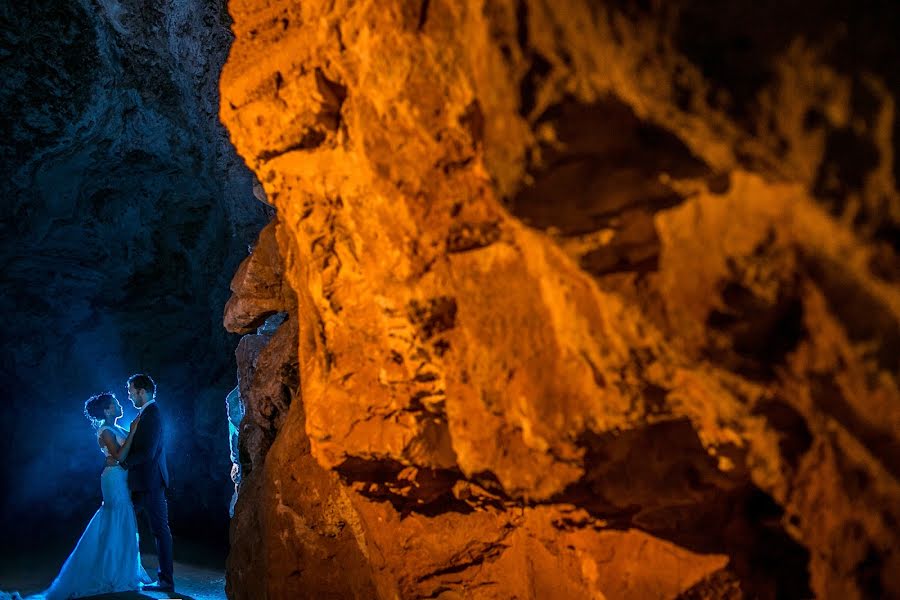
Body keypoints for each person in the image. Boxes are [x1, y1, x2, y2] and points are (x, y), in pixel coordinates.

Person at [10, 392, 153, 599]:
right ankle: (111, 572)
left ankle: (121, 568)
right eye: (115, 404)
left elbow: (126, 454)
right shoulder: (105, 430)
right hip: (113, 479)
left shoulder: (116, 428)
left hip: (121, 476)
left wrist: (133, 436)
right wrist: (132, 432)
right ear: (107, 410)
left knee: (121, 518)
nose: (119, 405)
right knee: (115, 517)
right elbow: (120, 455)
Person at [108, 373, 174, 593]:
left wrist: (123, 465)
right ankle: (118, 570)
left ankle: (165, 580)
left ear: (141, 391)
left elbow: (147, 452)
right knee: (124, 524)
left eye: (131, 391)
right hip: (142, 482)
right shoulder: (145, 415)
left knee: (159, 530)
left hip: (150, 481)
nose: (129, 396)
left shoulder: (152, 415)